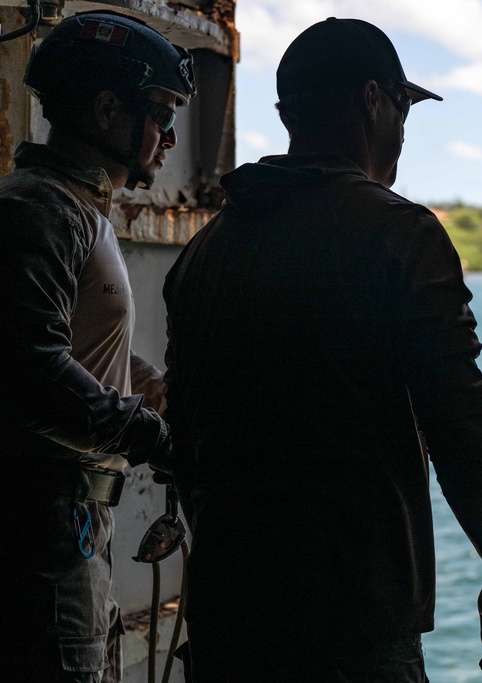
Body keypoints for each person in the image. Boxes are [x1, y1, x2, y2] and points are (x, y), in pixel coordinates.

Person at [162, 17, 482, 681]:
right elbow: (460, 427)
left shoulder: (204, 253)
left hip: (228, 616)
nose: (401, 134)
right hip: (354, 619)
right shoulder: (400, 234)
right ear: (371, 101)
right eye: (401, 110)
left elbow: (184, 441)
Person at [0, 11, 195, 682]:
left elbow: (84, 352)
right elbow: (29, 365)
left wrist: (154, 390)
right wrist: (156, 437)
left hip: (78, 520)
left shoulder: (84, 212)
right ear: (108, 107)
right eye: (161, 115)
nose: (169, 139)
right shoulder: (38, 210)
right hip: (43, 525)